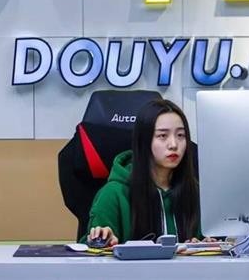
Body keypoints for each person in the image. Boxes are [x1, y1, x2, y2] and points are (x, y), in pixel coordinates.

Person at [85, 99, 213, 246]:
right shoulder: (113, 194)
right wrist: (102, 241)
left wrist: (206, 246)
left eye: (180, 135)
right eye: (162, 136)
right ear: (144, 141)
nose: (173, 145)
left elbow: (204, 243)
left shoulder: (196, 193)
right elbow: (90, 250)